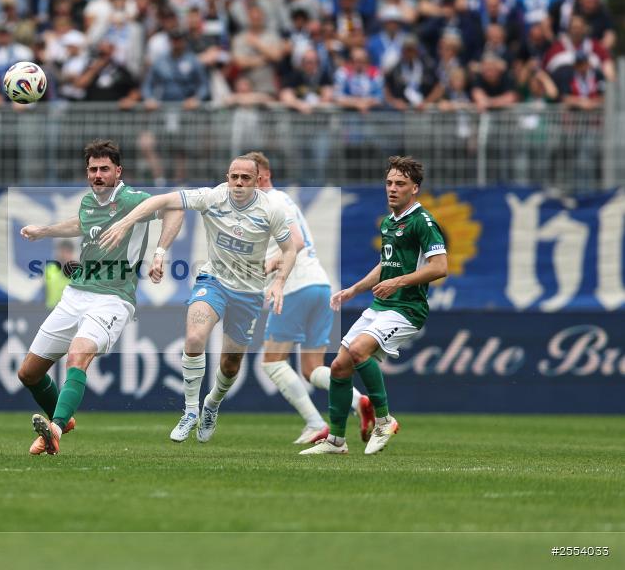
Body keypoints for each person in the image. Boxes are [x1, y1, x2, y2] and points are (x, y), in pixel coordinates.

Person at [99, 155, 297, 445]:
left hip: (249, 292)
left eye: (245, 178)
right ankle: (190, 411)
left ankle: (211, 405)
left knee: (230, 365)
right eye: (234, 177)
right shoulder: (213, 197)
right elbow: (163, 201)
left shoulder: (272, 209)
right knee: (194, 338)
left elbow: (289, 249)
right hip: (213, 281)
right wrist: (126, 222)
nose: (238, 183)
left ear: (257, 181)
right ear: (227, 177)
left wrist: (279, 282)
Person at [18, 139, 185, 456]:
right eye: (92, 169)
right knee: (28, 373)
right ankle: (63, 421)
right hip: (76, 294)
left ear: (118, 171)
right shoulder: (88, 202)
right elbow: (82, 224)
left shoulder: (133, 199)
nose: (97, 175)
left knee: (78, 356)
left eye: (104, 169)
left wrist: (161, 252)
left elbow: (175, 207)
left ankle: (55, 430)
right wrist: (45, 231)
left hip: (113, 297)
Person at [301, 156, 448, 456]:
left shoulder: (423, 222)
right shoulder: (390, 223)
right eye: (389, 183)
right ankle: (336, 442)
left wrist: (399, 282)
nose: (392, 189)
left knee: (358, 352)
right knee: (340, 366)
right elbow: (386, 264)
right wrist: (355, 289)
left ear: (415, 189)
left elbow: (440, 267)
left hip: (407, 308)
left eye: (400, 184)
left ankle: (384, 420)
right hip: (381, 305)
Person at [247, 152, 374, 445]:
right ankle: (359, 402)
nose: (241, 186)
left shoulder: (271, 201)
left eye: (247, 178)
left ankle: (317, 422)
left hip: (296, 287)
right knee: (312, 369)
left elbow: (298, 241)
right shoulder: (283, 200)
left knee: (272, 362)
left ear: (262, 177)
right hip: (319, 286)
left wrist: (269, 264)